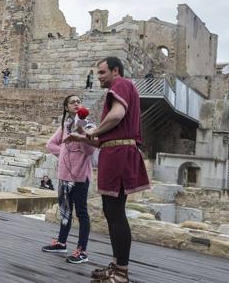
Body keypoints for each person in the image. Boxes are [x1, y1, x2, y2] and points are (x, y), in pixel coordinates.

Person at [84, 57, 150, 283]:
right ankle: (116, 266)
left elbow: (117, 115)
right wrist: (82, 136)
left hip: (119, 155)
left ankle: (121, 273)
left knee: (116, 213)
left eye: (102, 72)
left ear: (115, 70)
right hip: (115, 153)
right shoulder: (121, 87)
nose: (99, 76)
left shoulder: (121, 84)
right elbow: (109, 135)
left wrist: (94, 132)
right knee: (111, 212)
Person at [42, 95, 96, 264]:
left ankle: (82, 251)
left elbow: (90, 151)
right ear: (66, 107)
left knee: (81, 213)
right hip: (64, 175)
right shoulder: (65, 126)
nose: (76, 103)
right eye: (72, 102)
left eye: (78, 101)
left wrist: (81, 132)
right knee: (65, 211)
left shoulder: (90, 125)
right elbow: (50, 144)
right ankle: (61, 243)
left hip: (80, 176)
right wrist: (65, 154)